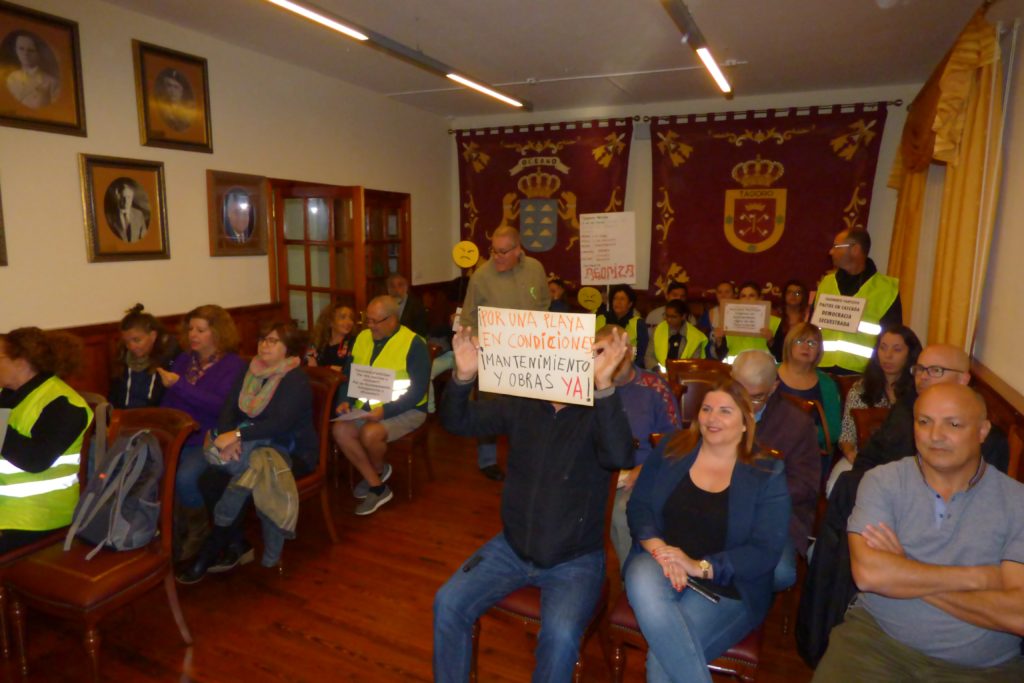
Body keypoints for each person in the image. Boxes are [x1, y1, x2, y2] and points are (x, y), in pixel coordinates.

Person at [433, 326, 634, 683]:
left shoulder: (600, 410)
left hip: (574, 560)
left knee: (560, 638)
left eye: (598, 355)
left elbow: (620, 455)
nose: (587, 360)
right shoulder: (524, 402)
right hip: (511, 548)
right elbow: (456, 421)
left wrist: (603, 386)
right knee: (448, 603)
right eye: (586, 352)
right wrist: (463, 378)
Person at [812, 383, 1024, 681]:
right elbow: (870, 575)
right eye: (924, 422)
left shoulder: (1017, 503)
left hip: (983, 667)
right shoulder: (883, 482)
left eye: (953, 424)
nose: (935, 435)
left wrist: (905, 565)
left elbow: (1018, 615)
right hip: (876, 642)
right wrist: (978, 578)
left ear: (982, 431)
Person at [623, 379, 790, 683]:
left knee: (661, 665)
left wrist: (697, 566)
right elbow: (639, 507)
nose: (712, 418)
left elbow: (764, 552)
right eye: (706, 408)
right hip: (660, 563)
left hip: (727, 587)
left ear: (745, 422)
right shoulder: (671, 448)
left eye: (725, 411)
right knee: (640, 575)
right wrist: (662, 552)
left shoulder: (767, 472)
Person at [177, 321, 317, 583]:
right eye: (263, 339)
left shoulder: (295, 378)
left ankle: (213, 549)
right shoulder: (250, 370)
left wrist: (239, 436)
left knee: (241, 479)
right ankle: (236, 543)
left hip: (289, 450)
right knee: (209, 480)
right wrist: (229, 438)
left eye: (273, 341)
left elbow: (280, 424)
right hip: (248, 446)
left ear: (289, 348)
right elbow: (228, 410)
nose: (264, 345)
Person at [459, 226, 550, 481]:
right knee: (489, 411)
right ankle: (487, 461)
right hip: (494, 356)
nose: (496, 257)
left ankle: (524, 459)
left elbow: (544, 303)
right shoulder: (480, 277)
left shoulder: (535, 269)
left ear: (518, 249)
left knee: (528, 411)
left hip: (529, 354)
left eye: (502, 252)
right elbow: (468, 319)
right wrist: (480, 341)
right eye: (493, 251)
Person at [160, 305, 246, 561]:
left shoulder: (233, 365)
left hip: (209, 437)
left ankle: (199, 531)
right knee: (154, 467)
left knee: (185, 477)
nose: (193, 335)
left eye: (201, 330)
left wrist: (180, 386)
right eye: (191, 329)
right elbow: (169, 402)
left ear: (217, 333)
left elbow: (220, 407)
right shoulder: (184, 360)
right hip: (179, 435)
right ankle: (172, 529)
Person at [332, 296, 430, 515]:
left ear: (392, 319)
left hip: (408, 409)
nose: (370, 326)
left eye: (375, 321)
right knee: (340, 430)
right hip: (367, 407)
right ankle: (377, 486)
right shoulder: (362, 338)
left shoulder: (414, 344)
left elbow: (417, 391)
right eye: (367, 320)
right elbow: (348, 375)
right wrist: (344, 401)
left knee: (370, 434)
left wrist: (386, 411)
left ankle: (377, 471)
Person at [731, 350, 819, 589]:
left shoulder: (798, 424)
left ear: (773, 388)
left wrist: (758, 493)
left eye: (756, 397)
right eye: (739, 392)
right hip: (721, 508)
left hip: (775, 515)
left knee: (780, 573)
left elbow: (806, 485)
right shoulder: (718, 410)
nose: (746, 404)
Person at [853, 343, 1009, 476]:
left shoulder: (982, 435)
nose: (923, 377)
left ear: (963, 379)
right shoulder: (905, 406)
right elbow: (870, 455)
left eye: (935, 370)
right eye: (920, 369)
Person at [0, 327, 92, 553]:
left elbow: (35, 460)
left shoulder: (65, 404)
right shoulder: (7, 394)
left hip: (35, 516)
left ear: (21, 362)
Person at [599, 325, 683, 569]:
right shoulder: (587, 387)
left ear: (630, 351)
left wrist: (643, 469)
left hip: (641, 471)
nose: (615, 359)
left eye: (619, 351)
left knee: (621, 511)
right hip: (599, 471)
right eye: (605, 353)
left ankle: (630, 576)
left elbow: (675, 443)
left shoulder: (654, 387)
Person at [828, 325, 921, 494]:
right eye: (883, 348)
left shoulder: (917, 392)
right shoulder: (860, 389)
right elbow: (847, 435)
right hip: (863, 456)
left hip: (904, 461)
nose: (888, 355)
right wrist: (852, 455)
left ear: (910, 354)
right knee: (837, 484)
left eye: (897, 349)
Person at [816, 229, 902, 374]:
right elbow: (812, 330)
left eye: (836, 246)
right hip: (821, 370)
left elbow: (892, 339)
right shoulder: (826, 283)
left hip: (862, 375)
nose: (831, 252)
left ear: (855, 249)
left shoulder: (887, 289)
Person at [776, 322, 841, 453]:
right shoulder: (769, 372)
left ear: (818, 351)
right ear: (789, 344)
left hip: (810, 452)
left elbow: (833, 431)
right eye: (800, 341)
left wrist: (803, 433)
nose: (806, 347)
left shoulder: (827, 384)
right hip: (770, 447)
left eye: (812, 343)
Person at [108, 303, 179, 409]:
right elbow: (114, 398)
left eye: (137, 340)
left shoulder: (169, 359)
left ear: (153, 336)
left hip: (157, 416)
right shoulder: (122, 359)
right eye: (127, 342)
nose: (131, 347)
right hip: (126, 416)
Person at [708, 281, 779, 364]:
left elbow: (780, 355)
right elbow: (720, 355)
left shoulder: (775, 322)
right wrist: (719, 340)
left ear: (760, 298)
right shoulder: (728, 321)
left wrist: (771, 340)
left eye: (751, 295)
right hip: (734, 368)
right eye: (743, 296)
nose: (747, 299)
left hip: (763, 368)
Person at [645, 299, 708, 370]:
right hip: (659, 373)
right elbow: (649, 356)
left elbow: (695, 363)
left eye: (673, 317)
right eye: (667, 316)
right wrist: (657, 369)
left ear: (683, 316)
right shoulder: (658, 329)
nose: (669, 320)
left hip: (684, 373)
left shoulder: (696, 336)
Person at [597, 284, 649, 367]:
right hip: (602, 365)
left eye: (622, 299)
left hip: (630, 367)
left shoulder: (638, 323)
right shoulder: (600, 319)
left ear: (630, 304)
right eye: (615, 298)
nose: (618, 302)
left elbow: (641, 354)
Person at [5, 33, 59, 109]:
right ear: (16, 50)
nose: (25, 54)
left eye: (31, 50)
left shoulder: (51, 82)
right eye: (21, 49)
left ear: (39, 53)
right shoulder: (11, 78)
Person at [308, 302, 358, 376]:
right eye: (343, 317)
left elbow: (351, 372)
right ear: (330, 322)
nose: (349, 322)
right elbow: (307, 367)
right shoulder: (317, 342)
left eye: (351, 318)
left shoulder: (355, 343)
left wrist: (322, 369)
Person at [770, 280, 810, 362]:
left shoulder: (809, 317)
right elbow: (774, 348)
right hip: (779, 363)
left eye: (798, 293)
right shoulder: (775, 317)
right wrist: (770, 340)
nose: (793, 295)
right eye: (790, 292)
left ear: (803, 297)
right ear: (784, 295)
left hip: (804, 362)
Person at [387, 273, 429, 338]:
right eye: (392, 286)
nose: (396, 290)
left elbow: (420, 333)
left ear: (406, 287)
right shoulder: (384, 305)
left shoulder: (417, 306)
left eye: (400, 285)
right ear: (388, 289)